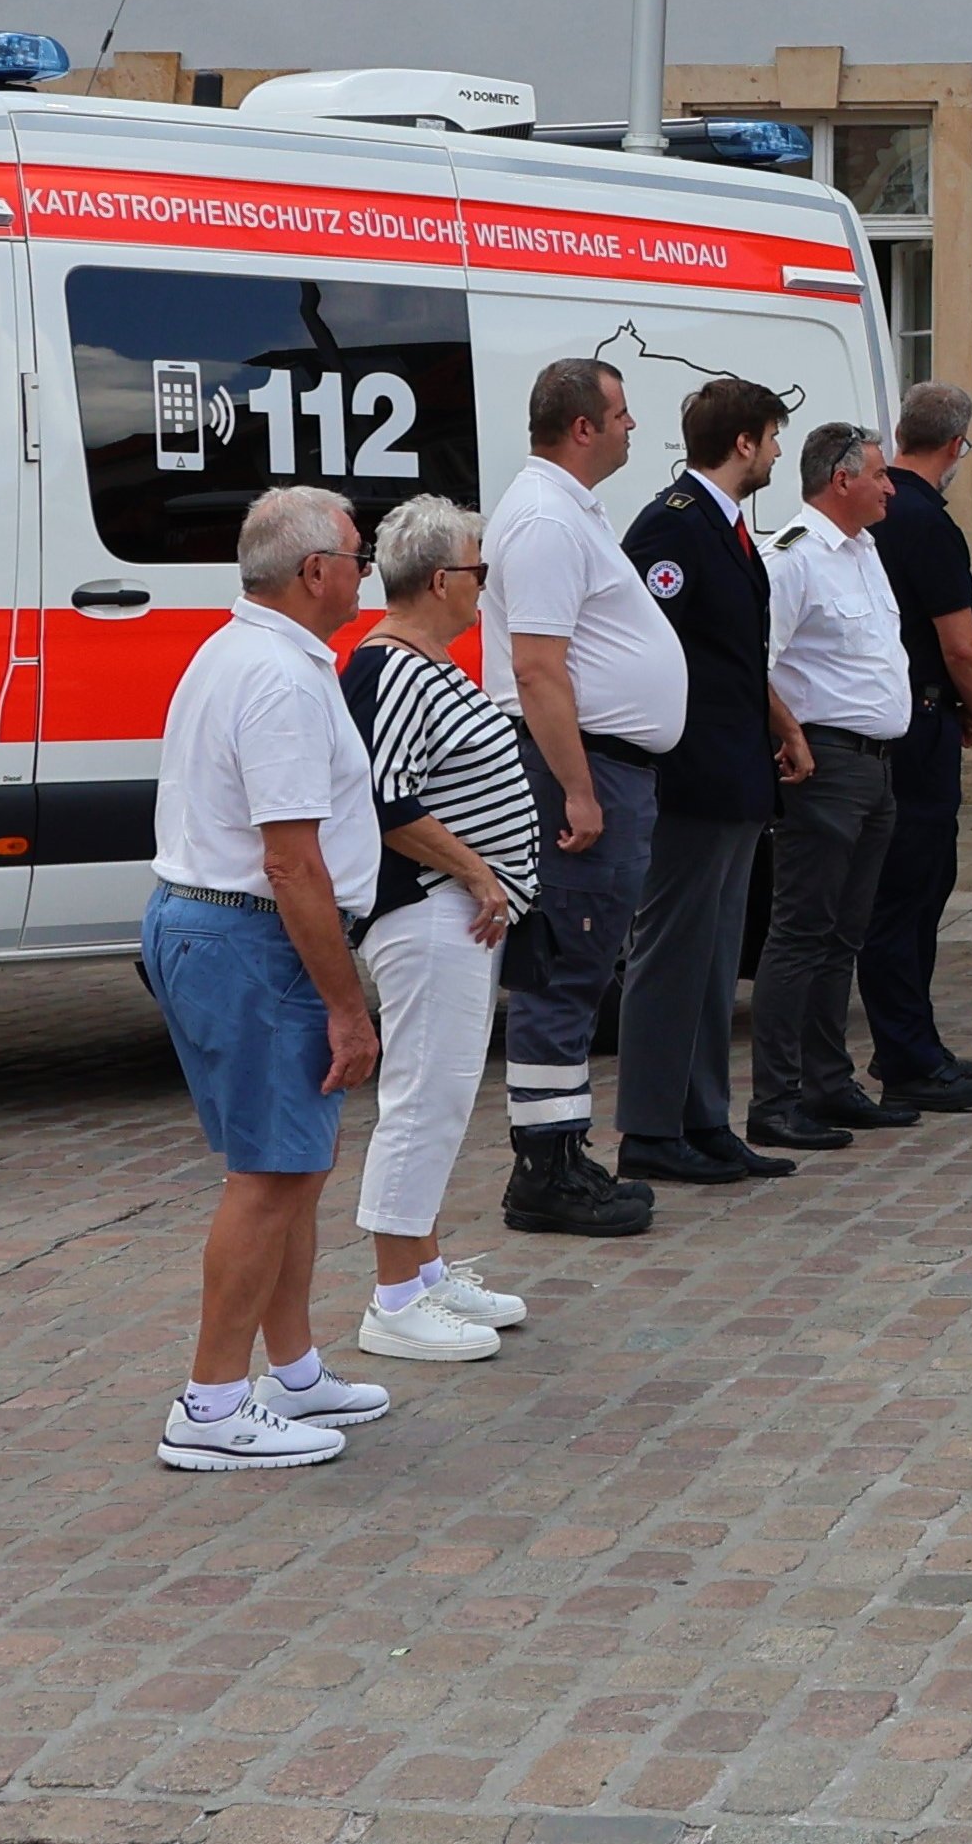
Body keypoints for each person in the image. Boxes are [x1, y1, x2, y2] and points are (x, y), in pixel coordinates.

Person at [145, 487, 398, 1471]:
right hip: (252, 935)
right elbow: (291, 862)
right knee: (271, 1172)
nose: (365, 570)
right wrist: (345, 1004)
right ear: (314, 572)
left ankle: (292, 1370)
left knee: (293, 1161)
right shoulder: (281, 675)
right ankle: (210, 1403)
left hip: (220, 926)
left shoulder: (240, 650)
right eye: (357, 555)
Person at [339, 497, 556, 1355]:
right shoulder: (392, 667)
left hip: (454, 910)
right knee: (424, 1095)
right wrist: (473, 868)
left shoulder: (425, 662)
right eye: (478, 570)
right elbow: (383, 795)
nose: (484, 586)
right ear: (439, 579)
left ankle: (423, 1270)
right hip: (427, 908)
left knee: (445, 1091)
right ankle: (395, 1297)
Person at [479, 360, 668, 1240]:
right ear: (583, 426)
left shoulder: (569, 509)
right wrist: (581, 789)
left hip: (604, 764)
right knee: (566, 964)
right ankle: (544, 1170)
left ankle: (560, 1147)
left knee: (583, 966)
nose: (633, 427)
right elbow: (536, 667)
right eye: (621, 413)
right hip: (578, 767)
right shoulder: (547, 518)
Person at [619, 377, 795, 1187]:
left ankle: (703, 1118)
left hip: (733, 774)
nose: (778, 453)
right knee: (671, 954)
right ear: (744, 441)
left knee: (715, 960)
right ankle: (651, 1127)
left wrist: (778, 728)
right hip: (692, 777)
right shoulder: (674, 525)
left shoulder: (724, 527)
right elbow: (651, 651)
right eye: (773, 437)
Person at [747, 421, 917, 1152]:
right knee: (801, 930)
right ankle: (776, 1098)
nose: (890, 488)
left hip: (874, 765)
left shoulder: (865, 550)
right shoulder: (793, 557)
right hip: (824, 764)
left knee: (844, 932)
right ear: (841, 479)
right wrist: (789, 734)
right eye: (879, 475)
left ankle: (827, 1081)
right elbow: (754, 662)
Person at [859, 383, 972, 1116]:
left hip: (886, 720)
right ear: (955, 445)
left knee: (904, 889)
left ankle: (907, 1039)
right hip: (920, 722)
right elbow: (962, 644)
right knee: (912, 891)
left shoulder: (875, 511)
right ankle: (908, 1052)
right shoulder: (927, 522)